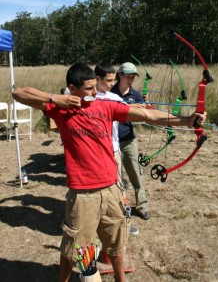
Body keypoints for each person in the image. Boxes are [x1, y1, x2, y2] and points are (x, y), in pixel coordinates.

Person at [12, 63, 206, 282]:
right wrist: (55, 98)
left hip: (112, 188)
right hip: (83, 193)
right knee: (76, 246)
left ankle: (120, 280)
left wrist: (187, 120)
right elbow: (17, 93)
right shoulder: (60, 109)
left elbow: (147, 115)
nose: (96, 92)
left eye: (96, 86)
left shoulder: (105, 106)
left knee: (115, 243)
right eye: (89, 89)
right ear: (72, 88)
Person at [94, 62, 139, 236]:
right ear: (97, 79)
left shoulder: (114, 98)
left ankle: (123, 222)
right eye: (108, 81)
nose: (112, 84)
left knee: (118, 186)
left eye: (113, 80)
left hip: (113, 149)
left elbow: (141, 111)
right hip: (94, 151)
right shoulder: (81, 96)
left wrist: (185, 120)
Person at [111, 62, 151, 220]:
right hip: (112, 141)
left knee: (135, 173)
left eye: (133, 76)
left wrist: (143, 108)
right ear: (119, 75)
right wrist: (130, 106)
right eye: (128, 76)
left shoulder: (136, 94)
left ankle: (142, 206)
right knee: (116, 176)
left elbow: (143, 116)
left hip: (128, 140)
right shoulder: (110, 92)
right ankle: (120, 207)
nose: (130, 79)